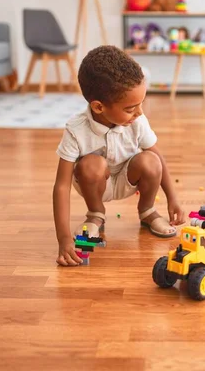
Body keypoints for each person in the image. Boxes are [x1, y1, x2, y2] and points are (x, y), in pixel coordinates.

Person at [53, 45, 185, 266]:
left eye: (141, 104)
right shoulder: (76, 130)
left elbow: (157, 158)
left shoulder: (137, 120)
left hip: (127, 178)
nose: (140, 113)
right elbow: (61, 186)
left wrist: (173, 198)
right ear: (98, 107)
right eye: (131, 108)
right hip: (93, 182)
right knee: (91, 164)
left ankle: (147, 211)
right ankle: (96, 213)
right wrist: (64, 239)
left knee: (151, 160)